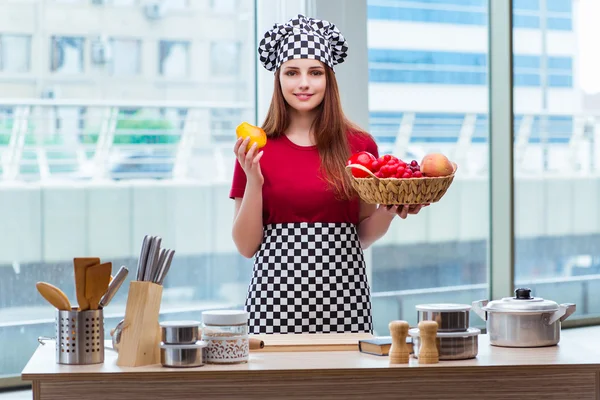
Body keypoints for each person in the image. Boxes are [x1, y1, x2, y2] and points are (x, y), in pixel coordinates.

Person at [229, 14, 426, 335]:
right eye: (292, 72)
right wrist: (254, 181)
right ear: (278, 79)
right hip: (272, 306)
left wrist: (390, 211)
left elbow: (361, 235)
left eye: (315, 73)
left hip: (347, 302)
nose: (303, 83)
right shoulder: (253, 148)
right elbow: (246, 246)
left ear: (329, 80)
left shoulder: (360, 146)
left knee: (347, 385)